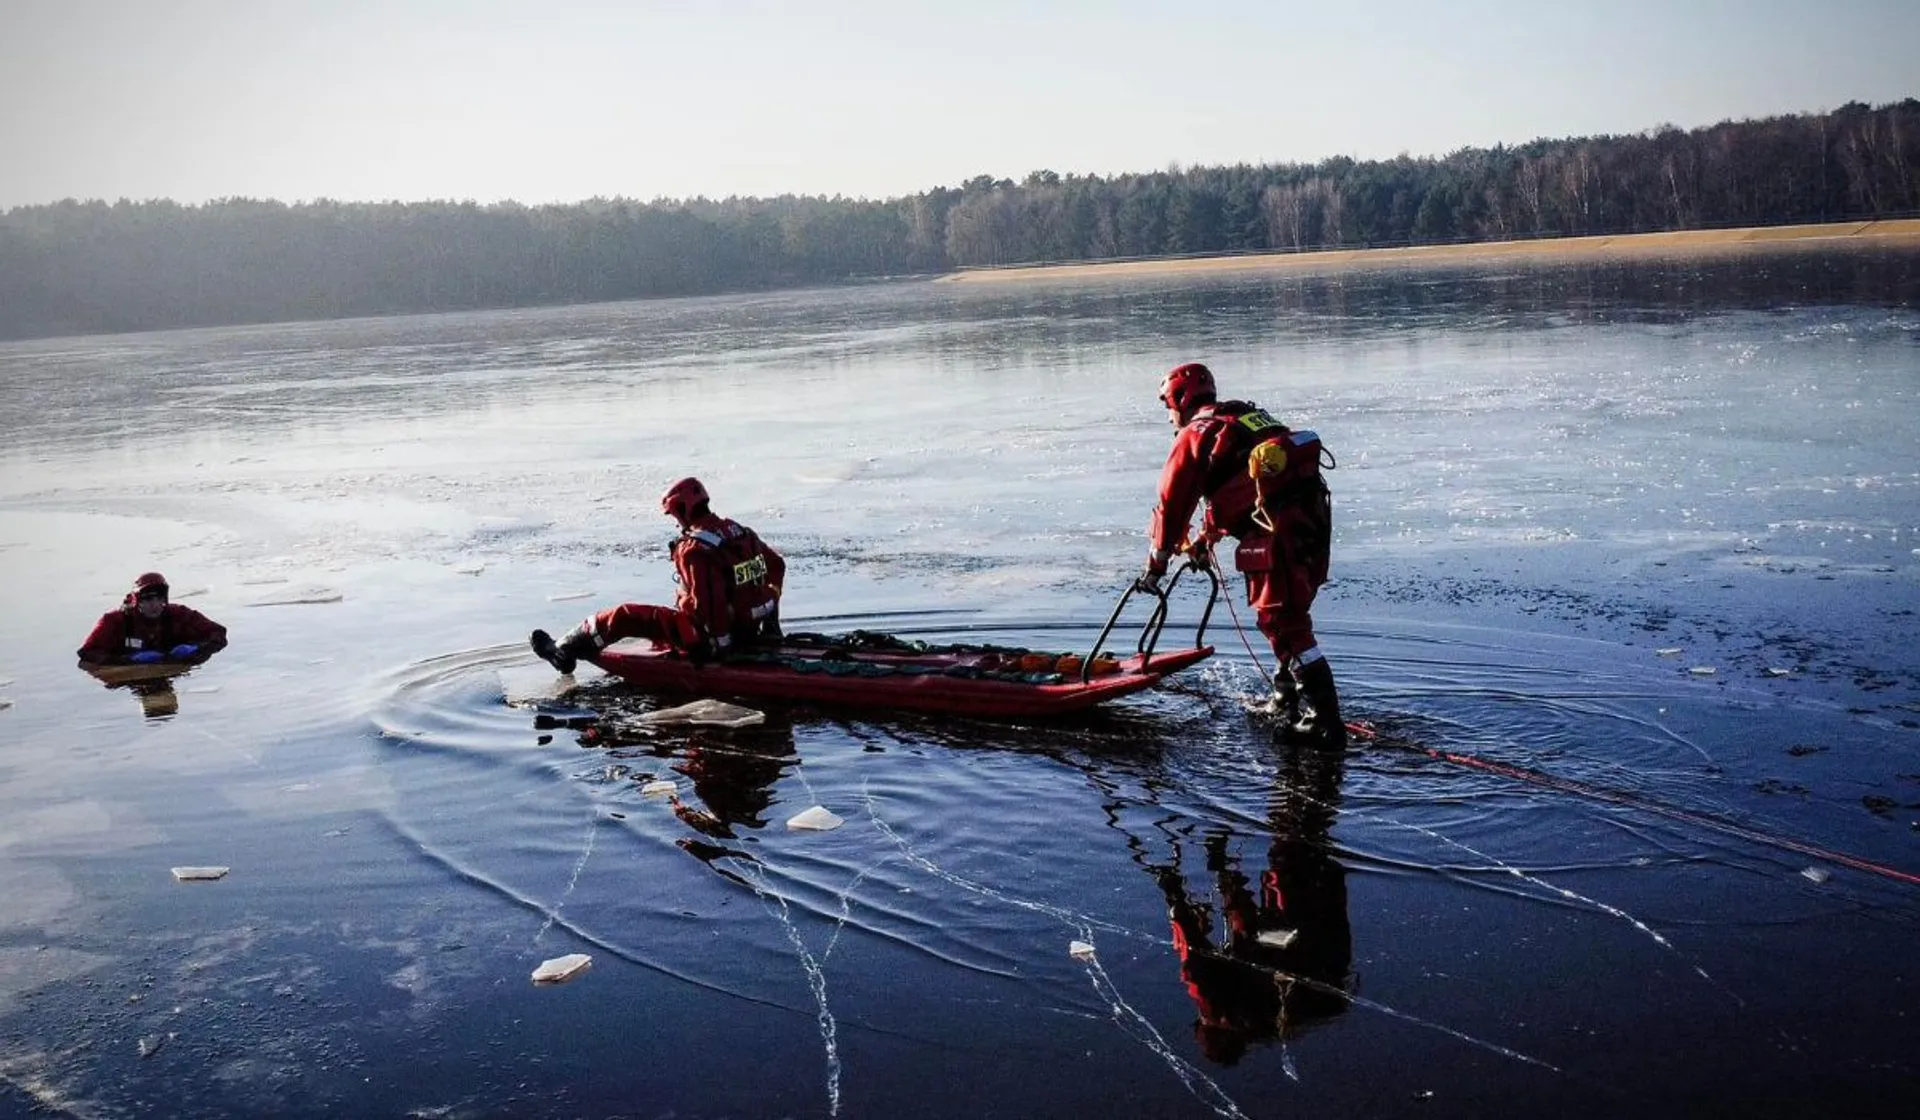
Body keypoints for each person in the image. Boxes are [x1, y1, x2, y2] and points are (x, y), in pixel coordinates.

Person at [1140, 361, 1344, 742]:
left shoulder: (1196, 432)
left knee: (1284, 622)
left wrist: (1157, 564)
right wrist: (1205, 541)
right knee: (1283, 617)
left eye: (1168, 406)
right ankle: (1286, 699)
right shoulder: (1243, 419)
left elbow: (1171, 504)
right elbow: (1242, 488)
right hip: (1311, 523)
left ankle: (1324, 722)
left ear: (1179, 400)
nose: (1169, 416)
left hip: (1278, 532)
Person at [531, 477, 785, 674]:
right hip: (748, 627)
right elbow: (776, 566)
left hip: (710, 638)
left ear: (682, 510)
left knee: (624, 616)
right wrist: (770, 618)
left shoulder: (695, 549)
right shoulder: (742, 533)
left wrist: (719, 648)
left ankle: (562, 651)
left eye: (675, 515)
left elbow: (709, 605)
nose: (676, 522)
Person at [76, 572, 228, 666]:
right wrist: (127, 660)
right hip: (132, 675)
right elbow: (87, 653)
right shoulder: (114, 621)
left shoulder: (179, 614)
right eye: (148, 599)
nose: (154, 605)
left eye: (159, 598)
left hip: (172, 669)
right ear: (137, 601)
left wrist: (196, 648)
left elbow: (218, 632)